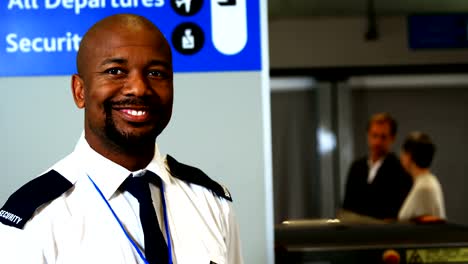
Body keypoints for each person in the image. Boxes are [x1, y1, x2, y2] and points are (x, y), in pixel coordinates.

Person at [0, 14, 243, 263]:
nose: (138, 88)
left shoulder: (211, 202)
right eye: (115, 71)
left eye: (156, 73)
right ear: (80, 91)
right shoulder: (34, 220)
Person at [341, 112, 413, 220]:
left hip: (385, 233)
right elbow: (347, 206)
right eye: (374, 135)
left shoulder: (400, 170)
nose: (377, 142)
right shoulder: (356, 167)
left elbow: (401, 211)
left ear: (392, 138)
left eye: (383, 137)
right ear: (368, 135)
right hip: (356, 232)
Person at [398, 132, 446, 221]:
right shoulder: (428, 181)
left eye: (403, 153)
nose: (401, 156)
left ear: (409, 156)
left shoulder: (424, 187)